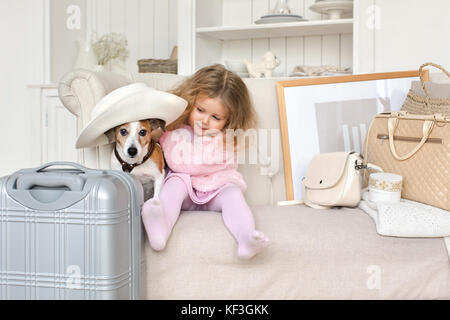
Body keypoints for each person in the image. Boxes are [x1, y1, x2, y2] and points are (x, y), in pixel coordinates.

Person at [141, 64, 270, 259]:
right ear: (190, 102)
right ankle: (160, 228)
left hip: (216, 191)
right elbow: (177, 163)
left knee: (233, 194)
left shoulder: (227, 139)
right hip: (185, 190)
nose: (205, 121)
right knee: (174, 184)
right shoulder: (177, 131)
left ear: (229, 121)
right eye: (200, 110)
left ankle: (246, 237)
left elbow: (198, 163)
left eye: (216, 117)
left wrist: (210, 139)